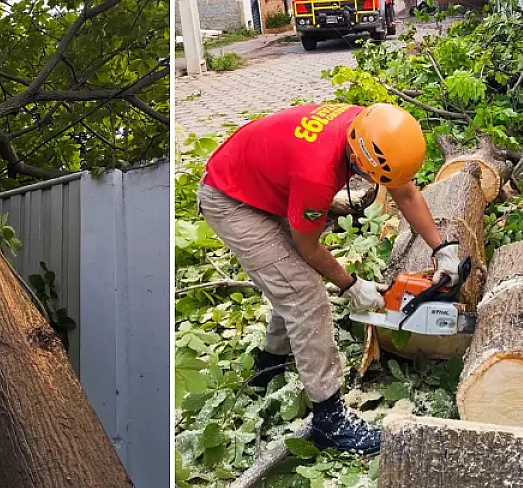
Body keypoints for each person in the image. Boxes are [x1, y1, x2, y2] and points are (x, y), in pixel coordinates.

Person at [196, 102, 464, 455]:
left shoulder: (372, 127)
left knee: (290, 278)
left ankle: (268, 366)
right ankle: (329, 419)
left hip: (259, 179)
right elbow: (308, 248)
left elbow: (406, 190)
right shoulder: (316, 173)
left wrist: (442, 248)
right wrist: (352, 285)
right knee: (305, 294)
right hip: (231, 199)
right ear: (360, 160)